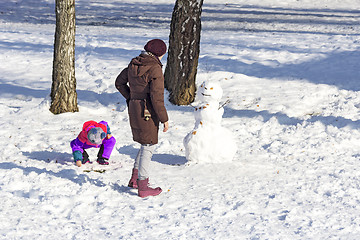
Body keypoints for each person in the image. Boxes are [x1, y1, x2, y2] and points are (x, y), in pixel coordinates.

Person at [115, 39, 169, 198]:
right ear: (161, 53)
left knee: (144, 142)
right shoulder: (155, 68)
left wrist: (132, 98)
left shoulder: (134, 64)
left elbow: (119, 83)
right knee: (149, 145)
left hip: (134, 109)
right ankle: (143, 185)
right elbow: (156, 97)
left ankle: (134, 179)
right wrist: (164, 118)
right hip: (148, 112)